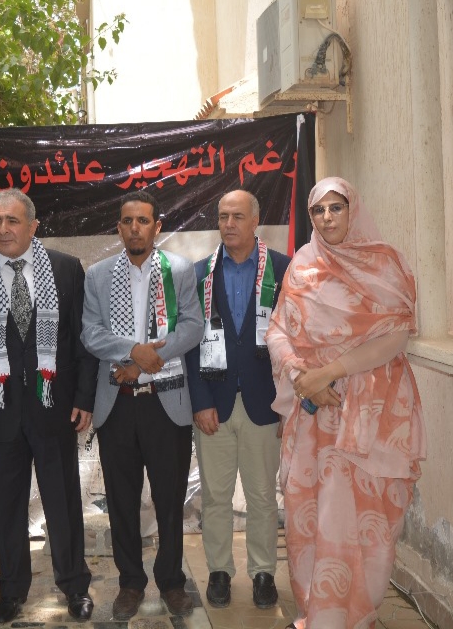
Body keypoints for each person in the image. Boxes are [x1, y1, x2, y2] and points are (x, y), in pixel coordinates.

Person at [266, 177, 426, 629]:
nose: (327, 217)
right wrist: (302, 378)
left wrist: (327, 372)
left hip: (373, 413)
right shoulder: (302, 265)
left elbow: (396, 336)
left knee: (371, 516)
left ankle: (356, 615)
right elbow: (277, 330)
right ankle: (319, 615)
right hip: (315, 416)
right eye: (318, 210)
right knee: (313, 513)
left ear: (352, 210)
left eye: (336, 207)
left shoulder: (385, 263)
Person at [0, 188, 97, 624]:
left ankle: (75, 586)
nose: (3, 229)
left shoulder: (66, 269)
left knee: (63, 503)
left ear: (33, 226)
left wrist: (84, 397)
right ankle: (11, 591)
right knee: (7, 507)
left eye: (12, 221)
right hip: (0, 413)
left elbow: (83, 342)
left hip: (55, 408)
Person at [81, 190, 204, 620]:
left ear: (157, 227)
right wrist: (134, 351)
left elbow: (193, 325)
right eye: (128, 221)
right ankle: (130, 583)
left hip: (165, 404)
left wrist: (147, 361)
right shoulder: (98, 276)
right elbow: (90, 333)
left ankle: (171, 581)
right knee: (121, 500)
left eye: (143, 221)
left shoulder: (180, 270)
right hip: (117, 406)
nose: (135, 228)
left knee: (170, 500)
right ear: (119, 228)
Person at [185, 190, 290, 609]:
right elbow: (190, 346)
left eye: (238, 216)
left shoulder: (283, 269)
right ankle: (219, 572)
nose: (229, 224)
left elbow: (296, 338)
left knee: (263, 495)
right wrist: (199, 400)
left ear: (255, 221)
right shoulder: (199, 274)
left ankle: (263, 572)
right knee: (215, 496)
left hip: (266, 403)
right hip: (215, 403)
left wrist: (287, 403)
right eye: (223, 216)